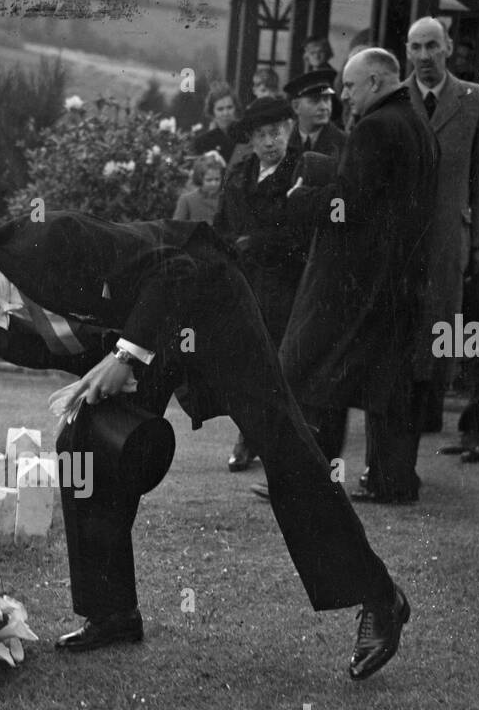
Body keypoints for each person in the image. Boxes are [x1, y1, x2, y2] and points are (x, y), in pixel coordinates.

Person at [0, 213, 412, 679]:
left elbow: (176, 268)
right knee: (84, 446)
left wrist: (127, 357)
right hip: (140, 338)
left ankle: (378, 596)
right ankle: (112, 613)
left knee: (283, 444)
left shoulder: (50, 242)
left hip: (204, 299)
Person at [273, 48, 439, 505]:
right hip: (401, 278)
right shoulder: (417, 123)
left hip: (360, 281)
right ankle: (391, 480)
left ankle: (311, 479)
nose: (343, 96)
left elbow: (349, 204)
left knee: (320, 373)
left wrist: (301, 198)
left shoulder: (375, 127)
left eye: (348, 86)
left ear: (375, 82)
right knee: (386, 387)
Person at [390, 17, 479, 460]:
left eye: (432, 46)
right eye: (416, 47)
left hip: (451, 241)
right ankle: (405, 425)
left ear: (449, 47)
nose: (424, 57)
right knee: (402, 328)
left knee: (457, 330)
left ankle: (459, 421)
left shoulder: (474, 100)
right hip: (400, 243)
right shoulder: (393, 99)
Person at [214, 98, 309, 472]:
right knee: (244, 362)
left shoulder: (299, 172)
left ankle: (277, 444)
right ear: (250, 140)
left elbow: (301, 233)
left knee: (280, 365)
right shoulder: (239, 173)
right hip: (241, 282)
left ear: (288, 130)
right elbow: (221, 223)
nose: (270, 142)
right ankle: (248, 436)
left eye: (276, 133)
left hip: (282, 283)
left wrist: (258, 243)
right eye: (261, 136)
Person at [285, 69, 346, 163]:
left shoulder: (344, 142)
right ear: (296, 107)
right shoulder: (284, 140)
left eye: (326, 99)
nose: (324, 107)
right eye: (315, 100)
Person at [192, 83, 238, 165]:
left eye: (229, 107)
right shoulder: (202, 142)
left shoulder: (246, 135)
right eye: (220, 109)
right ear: (212, 112)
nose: (225, 113)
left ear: (235, 108)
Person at [172, 151, 225, 224]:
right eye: (209, 180)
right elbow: (176, 228)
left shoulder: (225, 199)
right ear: (200, 179)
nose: (214, 184)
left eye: (217, 179)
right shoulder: (187, 200)